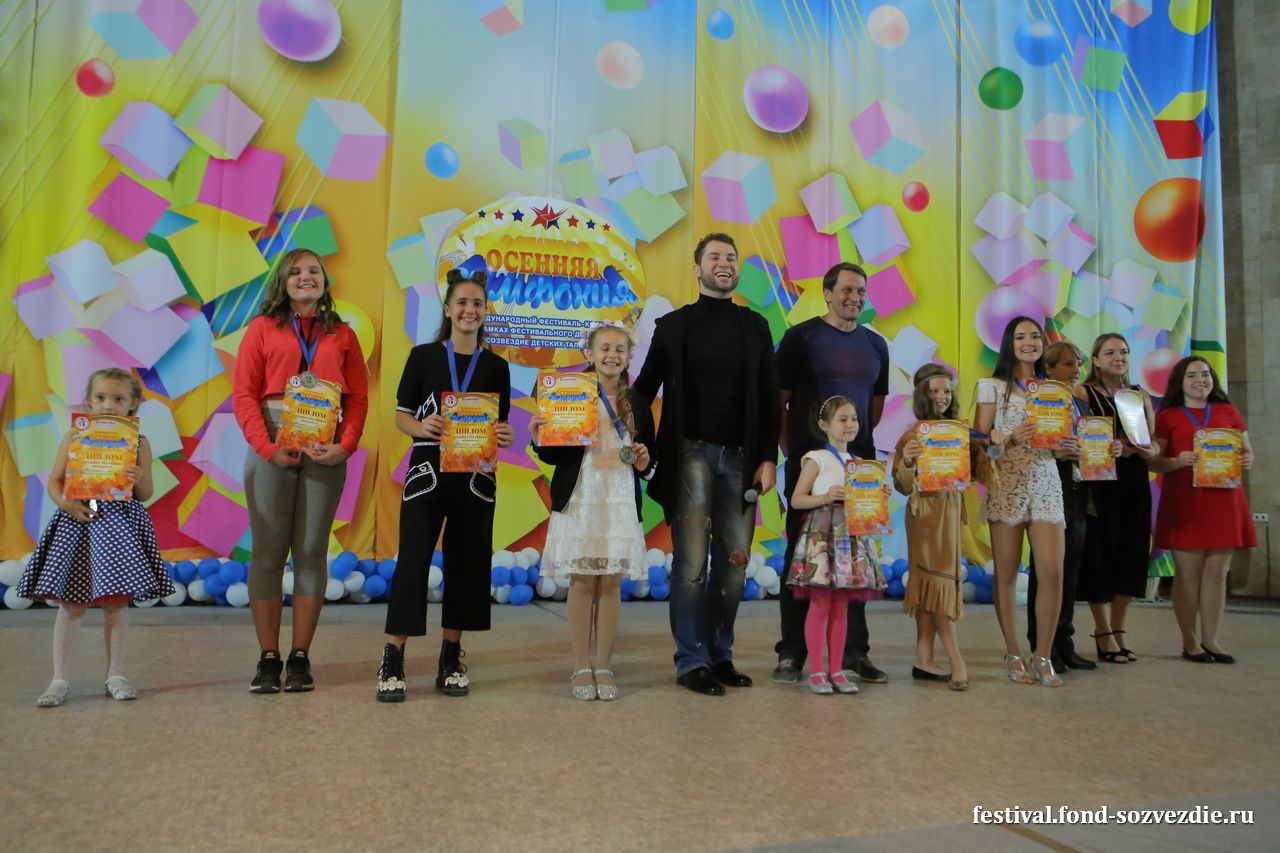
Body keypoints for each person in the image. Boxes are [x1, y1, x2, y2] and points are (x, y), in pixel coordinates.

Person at [633, 232, 781, 696]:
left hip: (742, 458)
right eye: (714, 256)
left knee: (735, 565)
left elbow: (771, 397)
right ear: (697, 269)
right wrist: (639, 444)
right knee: (692, 564)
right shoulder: (673, 325)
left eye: (731, 257)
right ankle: (691, 659)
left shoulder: (756, 326)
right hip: (689, 455)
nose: (724, 262)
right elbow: (642, 390)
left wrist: (768, 458)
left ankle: (720, 654)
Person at [232, 248, 368, 694]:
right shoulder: (261, 328)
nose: (305, 277)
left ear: (325, 280)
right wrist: (268, 448)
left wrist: (345, 446)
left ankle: (300, 656)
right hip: (272, 443)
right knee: (268, 553)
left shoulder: (343, 334)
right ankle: (268, 657)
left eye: (313, 270)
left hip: (324, 447)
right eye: (296, 272)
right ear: (282, 282)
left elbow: (358, 399)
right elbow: (244, 395)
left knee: (310, 550)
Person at [377, 267, 514, 701]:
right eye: (462, 302)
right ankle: (393, 657)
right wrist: (421, 426)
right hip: (428, 473)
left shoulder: (497, 366)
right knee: (413, 561)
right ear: (448, 309)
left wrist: (505, 435)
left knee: (468, 564)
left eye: (477, 303)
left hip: (475, 478)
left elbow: (500, 424)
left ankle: (451, 657)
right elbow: (401, 416)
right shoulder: (423, 357)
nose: (470, 310)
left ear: (485, 310)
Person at [18, 368, 174, 706]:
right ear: (89, 402)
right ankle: (59, 679)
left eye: (118, 399)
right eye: (101, 397)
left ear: (133, 404)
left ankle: (115, 674)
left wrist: (138, 476)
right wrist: (66, 504)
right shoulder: (75, 437)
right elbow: (55, 481)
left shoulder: (139, 442)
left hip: (118, 527)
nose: (108, 405)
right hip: (80, 522)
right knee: (71, 604)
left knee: (116, 603)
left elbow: (146, 493)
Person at [772, 262, 889, 686]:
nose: (854, 297)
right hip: (811, 467)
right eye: (846, 290)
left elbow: (873, 409)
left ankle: (853, 654)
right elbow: (778, 401)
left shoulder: (876, 345)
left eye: (860, 291)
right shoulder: (800, 338)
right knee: (802, 560)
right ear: (827, 293)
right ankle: (792, 652)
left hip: (859, 471)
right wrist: (795, 452)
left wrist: (857, 455)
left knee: (855, 560)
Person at [532, 322, 655, 701]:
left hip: (619, 499)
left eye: (619, 349)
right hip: (581, 496)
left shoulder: (637, 402)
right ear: (589, 354)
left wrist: (645, 462)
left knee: (611, 583)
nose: (611, 355)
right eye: (604, 348)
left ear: (629, 357)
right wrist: (538, 438)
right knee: (583, 581)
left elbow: (649, 459)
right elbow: (553, 454)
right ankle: (581, 665)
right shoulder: (569, 393)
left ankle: (604, 664)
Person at [973, 316, 1066, 687]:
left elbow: (1058, 442)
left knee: (1052, 571)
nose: (1029, 342)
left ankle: (1043, 655)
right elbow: (981, 446)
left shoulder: (1054, 389)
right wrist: (1011, 438)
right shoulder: (991, 387)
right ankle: (1013, 651)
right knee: (1007, 572)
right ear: (1009, 344)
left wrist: (1068, 447)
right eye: (1021, 336)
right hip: (1007, 484)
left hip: (1046, 482)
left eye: (1035, 336)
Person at [1150, 357, 1256, 663]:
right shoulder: (1168, 416)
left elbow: (1247, 451)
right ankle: (1190, 641)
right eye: (1192, 375)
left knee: (1217, 574)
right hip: (1185, 502)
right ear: (1179, 382)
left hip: (1225, 500)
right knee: (1187, 576)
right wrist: (1176, 461)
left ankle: (1212, 640)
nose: (1200, 380)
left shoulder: (1228, 411)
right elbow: (1154, 462)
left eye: (1206, 374)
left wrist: (1248, 459)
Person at [785, 396, 885, 695]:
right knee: (820, 604)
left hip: (849, 536)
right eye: (843, 419)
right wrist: (826, 497)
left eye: (854, 418)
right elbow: (797, 499)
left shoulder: (858, 464)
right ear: (824, 424)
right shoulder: (816, 458)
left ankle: (837, 670)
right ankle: (817, 671)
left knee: (841, 607)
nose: (850, 424)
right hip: (823, 534)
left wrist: (877, 496)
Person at [1076, 334, 1159, 664]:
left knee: (1131, 555)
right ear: (1095, 360)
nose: (1118, 357)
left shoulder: (1139, 395)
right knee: (1100, 556)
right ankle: (1102, 630)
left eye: (1123, 352)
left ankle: (1119, 628)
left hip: (1134, 482)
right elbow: (1074, 435)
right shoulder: (1082, 393)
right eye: (1109, 352)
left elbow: (1152, 443)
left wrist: (1146, 450)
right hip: (1099, 484)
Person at [1025, 341, 1107, 672]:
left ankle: (1065, 642)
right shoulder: (1038, 401)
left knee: (1069, 572)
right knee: (1046, 571)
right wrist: (1058, 452)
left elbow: (1091, 443)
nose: (1076, 370)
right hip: (1049, 489)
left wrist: (1104, 450)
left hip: (1078, 492)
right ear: (1049, 368)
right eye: (1069, 364)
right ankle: (1041, 644)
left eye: (1078, 364)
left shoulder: (1081, 404)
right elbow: (1031, 447)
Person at [893, 365, 969, 691]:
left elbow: (980, 469)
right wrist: (908, 461)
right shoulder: (911, 436)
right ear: (923, 394)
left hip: (949, 514)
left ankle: (923, 658)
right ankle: (957, 661)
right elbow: (901, 485)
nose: (942, 396)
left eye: (947, 391)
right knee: (935, 584)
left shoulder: (959, 433)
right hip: (924, 515)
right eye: (935, 390)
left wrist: (993, 445)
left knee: (930, 587)